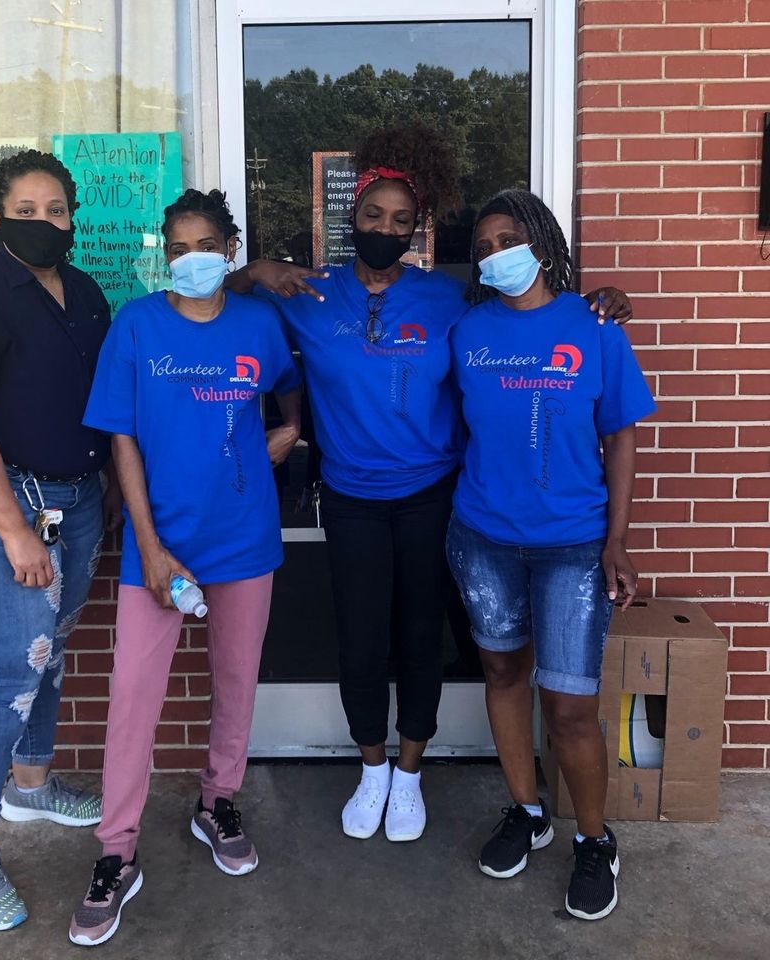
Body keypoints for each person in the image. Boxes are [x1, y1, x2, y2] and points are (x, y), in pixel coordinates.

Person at [228, 122, 634, 845]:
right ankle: (373, 766)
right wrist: (254, 268)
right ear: (349, 220)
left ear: (417, 232)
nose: (385, 229)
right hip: (350, 497)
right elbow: (216, 306)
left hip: (435, 498)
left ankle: (411, 772)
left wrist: (600, 299)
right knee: (358, 640)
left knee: (421, 635)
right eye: (373, 216)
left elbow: (540, 324)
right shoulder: (308, 293)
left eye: (401, 221)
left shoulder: (453, 303)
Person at [69, 189, 301, 948]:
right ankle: (116, 850)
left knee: (236, 681)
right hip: (158, 545)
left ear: (229, 250)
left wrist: (289, 429)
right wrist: (152, 546)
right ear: (163, 253)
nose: (191, 258)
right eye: (177, 246)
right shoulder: (137, 325)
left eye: (206, 244)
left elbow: (289, 392)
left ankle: (217, 802)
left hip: (244, 537)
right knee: (134, 692)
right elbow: (121, 442)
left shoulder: (258, 322)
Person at [0, 149, 123, 931]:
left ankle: (31, 785)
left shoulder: (83, 292)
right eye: (28, 210)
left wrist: (99, 484)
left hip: (74, 497)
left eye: (58, 209)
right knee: (5, 670)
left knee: (51, 648)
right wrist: (12, 528)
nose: (46, 222)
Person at [445, 189, 655, 920]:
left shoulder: (595, 326)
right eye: (481, 244)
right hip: (483, 537)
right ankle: (527, 811)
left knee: (570, 707)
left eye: (508, 236)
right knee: (503, 670)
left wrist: (617, 541)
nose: (494, 252)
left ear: (541, 240)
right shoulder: (467, 330)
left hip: (572, 545)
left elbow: (622, 433)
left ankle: (595, 840)